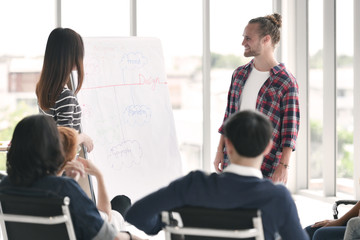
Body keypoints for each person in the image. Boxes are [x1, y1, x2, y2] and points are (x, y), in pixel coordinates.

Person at [125, 110, 308, 240]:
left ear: (227, 144)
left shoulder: (192, 185)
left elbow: (136, 214)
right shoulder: (277, 197)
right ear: (268, 148)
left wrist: (161, 225)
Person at [0, 114, 144, 240]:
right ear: (52, 149)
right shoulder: (64, 188)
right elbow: (108, 237)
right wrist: (133, 237)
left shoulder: (5, 186)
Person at [213, 13, 300, 183]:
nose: (243, 43)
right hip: (233, 160)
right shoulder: (239, 74)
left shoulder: (285, 81)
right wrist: (219, 151)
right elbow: (229, 117)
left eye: (248, 38)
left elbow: (290, 129)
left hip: (267, 164)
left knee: (260, 209)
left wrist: (283, 166)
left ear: (266, 40)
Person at [58, 126, 131, 231]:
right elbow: (105, 221)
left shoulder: (34, 188)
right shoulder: (70, 192)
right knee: (123, 201)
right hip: (101, 231)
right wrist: (99, 175)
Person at [35, 27, 93, 152]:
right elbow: (64, 142)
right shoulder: (65, 96)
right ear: (71, 56)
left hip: (51, 165)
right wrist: (82, 137)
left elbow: (52, 136)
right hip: (62, 167)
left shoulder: (42, 88)